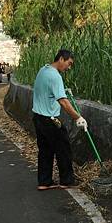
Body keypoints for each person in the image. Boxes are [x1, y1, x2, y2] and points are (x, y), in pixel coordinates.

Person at [32, 49, 88, 191]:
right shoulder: (55, 76)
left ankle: (44, 182)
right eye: (69, 64)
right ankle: (67, 180)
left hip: (38, 117)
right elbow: (63, 101)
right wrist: (78, 117)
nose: (68, 68)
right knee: (63, 148)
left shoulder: (43, 70)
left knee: (45, 150)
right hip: (50, 120)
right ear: (61, 59)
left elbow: (47, 90)